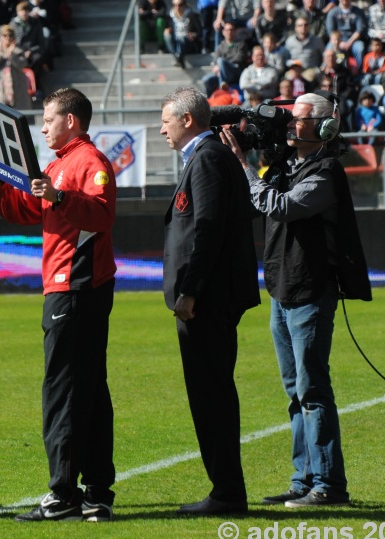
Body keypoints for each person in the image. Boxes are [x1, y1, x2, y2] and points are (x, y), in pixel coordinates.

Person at [222, 91, 371, 508]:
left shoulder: (325, 171)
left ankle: (328, 484)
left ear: (325, 127)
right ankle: (303, 479)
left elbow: (281, 206)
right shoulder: (288, 164)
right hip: (282, 289)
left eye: (300, 119)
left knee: (312, 388)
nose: (291, 124)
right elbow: (255, 203)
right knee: (294, 391)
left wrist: (243, 166)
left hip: (309, 290)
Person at [0, 87, 118, 522]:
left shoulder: (88, 162)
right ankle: (96, 490)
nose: (41, 126)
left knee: (62, 390)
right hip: (72, 287)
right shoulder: (59, 164)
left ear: (71, 121)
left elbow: (101, 213)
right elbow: (23, 210)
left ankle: (62, 494)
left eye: (48, 118)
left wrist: (58, 196)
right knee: (90, 388)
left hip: (75, 286)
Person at [159, 86, 260, 516]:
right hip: (208, 297)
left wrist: (191, 290)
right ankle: (225, 489)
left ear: (187, 120)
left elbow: (209, 229)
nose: (161, 127)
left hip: (206, 300)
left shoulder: (208, 159)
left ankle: (227, 492)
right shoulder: (206, 158)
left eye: (166, 119)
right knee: (210, 392)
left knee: (211, 394)